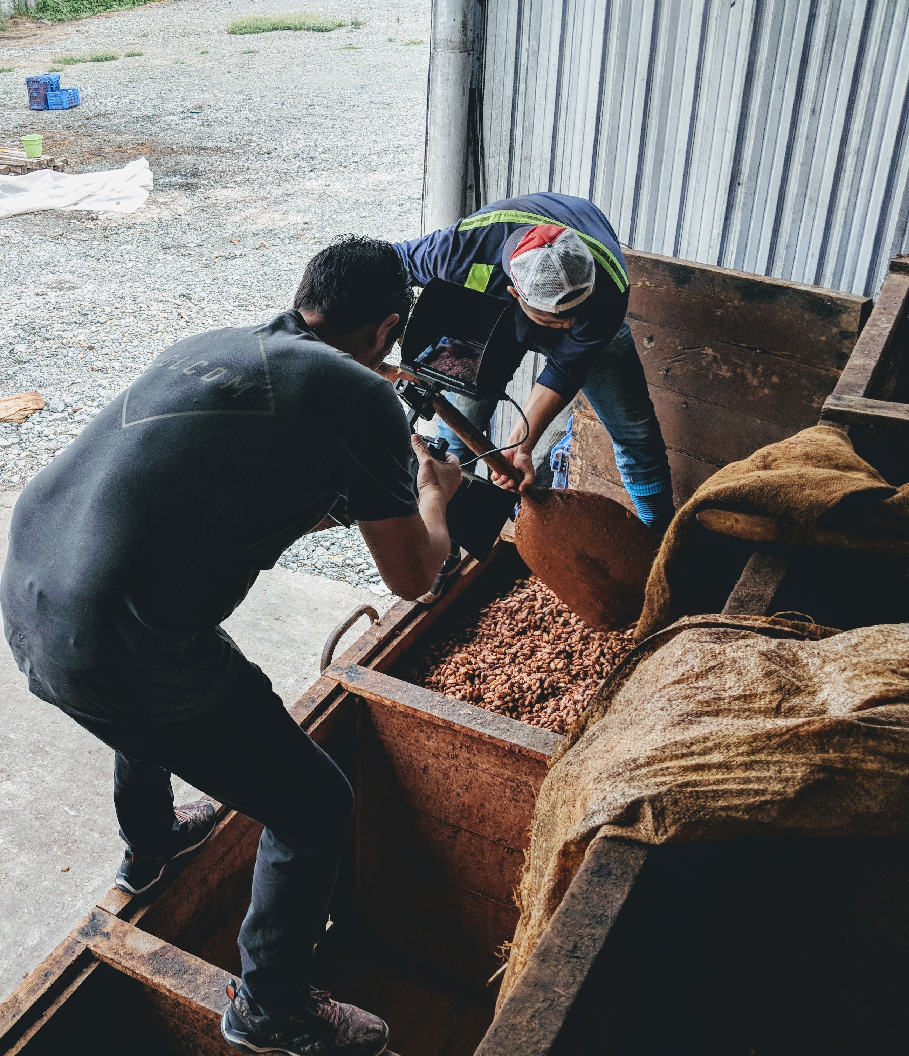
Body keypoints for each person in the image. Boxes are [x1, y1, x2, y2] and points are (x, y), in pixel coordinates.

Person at [0, 236, 461, 1056]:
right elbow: (411, 578)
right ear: (388, 327)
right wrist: (433, 495)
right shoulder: (364, 400)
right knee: (314, 805)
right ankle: (270, 1008)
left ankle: (150, 845)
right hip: (116, 647)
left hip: (29, 601)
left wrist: (363, 479)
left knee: (158, 673)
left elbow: (232, 486)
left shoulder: (216, 345)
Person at [394, 191, 674, 532]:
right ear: (517, 293)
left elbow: (566, 367)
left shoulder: (607, 287)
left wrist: (521, 447)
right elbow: (387, 265)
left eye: (576, 313)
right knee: (456, 438)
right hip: (490, 313)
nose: (571, 326)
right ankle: (446, 540)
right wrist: (395, 345)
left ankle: (659, 535)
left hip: (591, 311)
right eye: (559, 320)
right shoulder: (457, 251)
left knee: (635, 432)